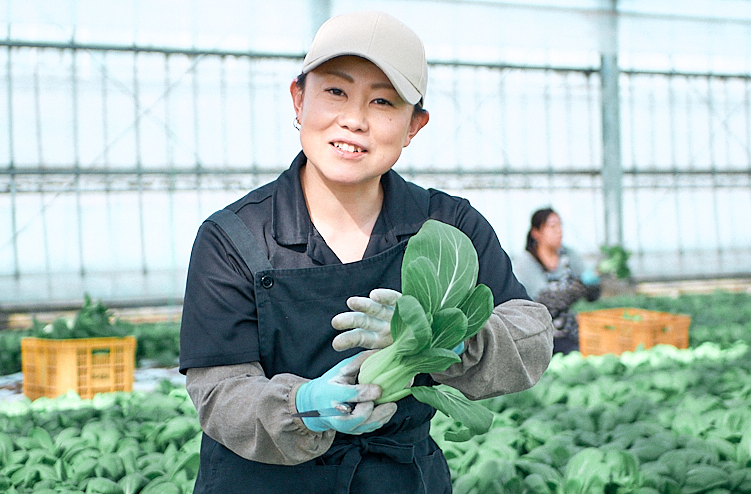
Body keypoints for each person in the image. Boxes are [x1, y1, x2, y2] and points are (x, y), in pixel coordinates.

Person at [179, 11, 554, 494]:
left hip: (398, 477)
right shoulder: (233, 238)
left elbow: (532, 335)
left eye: (382, 101)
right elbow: (218, 391)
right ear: (298, 99)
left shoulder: (447, 226)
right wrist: (305, 407)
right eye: (336, 91)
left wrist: (447, 341)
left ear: (414, 125)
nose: (354, 120)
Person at [512, 208, 601, 355]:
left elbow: (592, 296)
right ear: (536, 233)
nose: (559, 231)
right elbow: (546, 301)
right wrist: (580, 286)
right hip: (539, 337)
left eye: (560, 226)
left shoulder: (569, 255)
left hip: (571, 335)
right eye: (552, 226)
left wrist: (594, 282)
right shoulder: (526, 262)